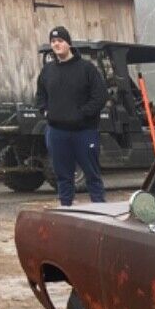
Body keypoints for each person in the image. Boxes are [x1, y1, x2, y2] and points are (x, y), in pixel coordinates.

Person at [34, 26, 108, 207]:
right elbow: (40, 96)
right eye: (53, 42)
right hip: (57, 131)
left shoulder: (86, 69)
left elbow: (100, 96)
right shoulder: (47, 71)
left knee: (92, 173)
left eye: (60, 41)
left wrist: (82, 113)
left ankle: (100, 209)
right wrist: (45, 111)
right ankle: (66, 207)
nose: (56, 44)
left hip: (84, 131)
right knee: (63, 175)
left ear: (68, 44)